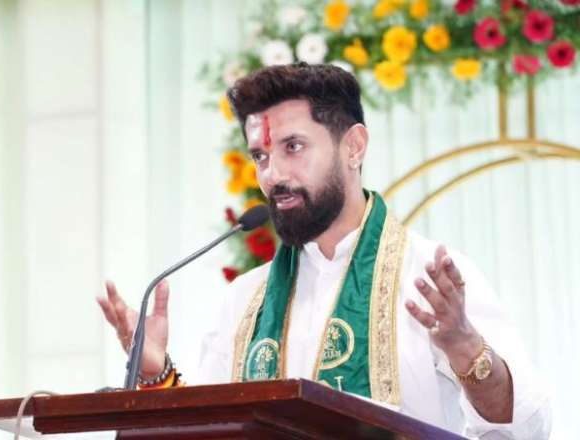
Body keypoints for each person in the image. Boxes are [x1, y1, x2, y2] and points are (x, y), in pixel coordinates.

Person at [96, 63, 550, 438]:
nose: (273, 175)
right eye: (260, 156)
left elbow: (526, 427)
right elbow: (209, 429)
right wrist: (156, 374)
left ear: (353, 147)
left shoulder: (430, 279)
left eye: (293, 147)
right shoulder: (246, 300)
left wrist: (464, 345)